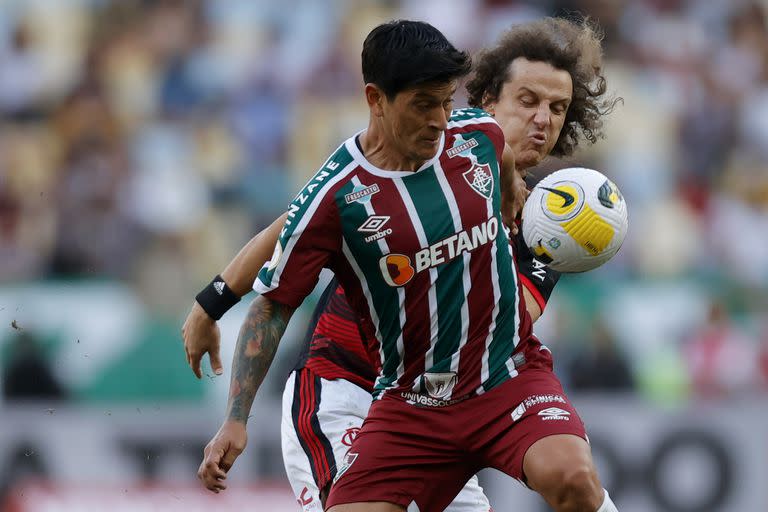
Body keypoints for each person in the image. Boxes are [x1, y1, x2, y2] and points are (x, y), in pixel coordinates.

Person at [192, 18, 619, 512]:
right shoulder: (365, 184)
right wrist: (213, 301)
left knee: (571, 476)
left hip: (469, 390)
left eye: (558, 108)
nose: (542, 119)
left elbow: (508, 321)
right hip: (346, 390)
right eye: (527, 101)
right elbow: (287, 229)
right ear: (485, 102)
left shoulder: (552, 226)